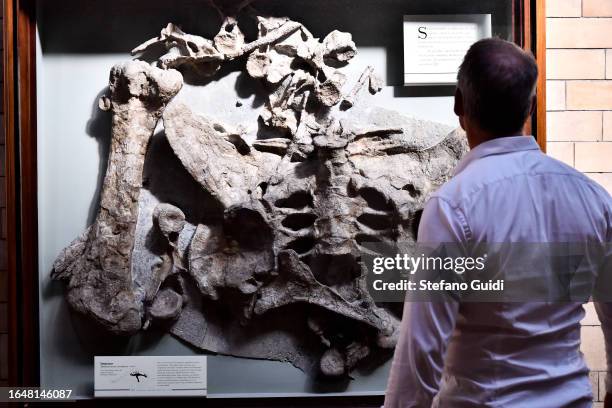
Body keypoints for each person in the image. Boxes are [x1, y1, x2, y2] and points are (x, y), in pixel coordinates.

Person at [383, 38, 612, 407]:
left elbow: (421, 349)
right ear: (531, 106)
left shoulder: (453, 206)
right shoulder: (593, 198)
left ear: (459, 104)